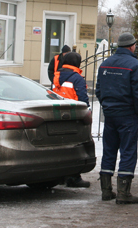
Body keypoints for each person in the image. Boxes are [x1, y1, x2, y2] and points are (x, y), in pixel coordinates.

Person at [95, 33, 138, 204]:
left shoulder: (105, 64)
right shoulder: (134, 65)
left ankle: (106, 190)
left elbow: (98, 90)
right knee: (128, 151)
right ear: (132, 46)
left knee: (109, 150)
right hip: (127, 115)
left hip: (110, 114)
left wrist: (107, 105)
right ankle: (124, 193)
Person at [52, 52, 90, 188]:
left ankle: (61, 175)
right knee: (76, 148)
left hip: (57, 116)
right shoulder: (77, 78)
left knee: (61, 147)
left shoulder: (56, 76)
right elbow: (83, 99)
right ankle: (74, 177)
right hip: (74, 116)